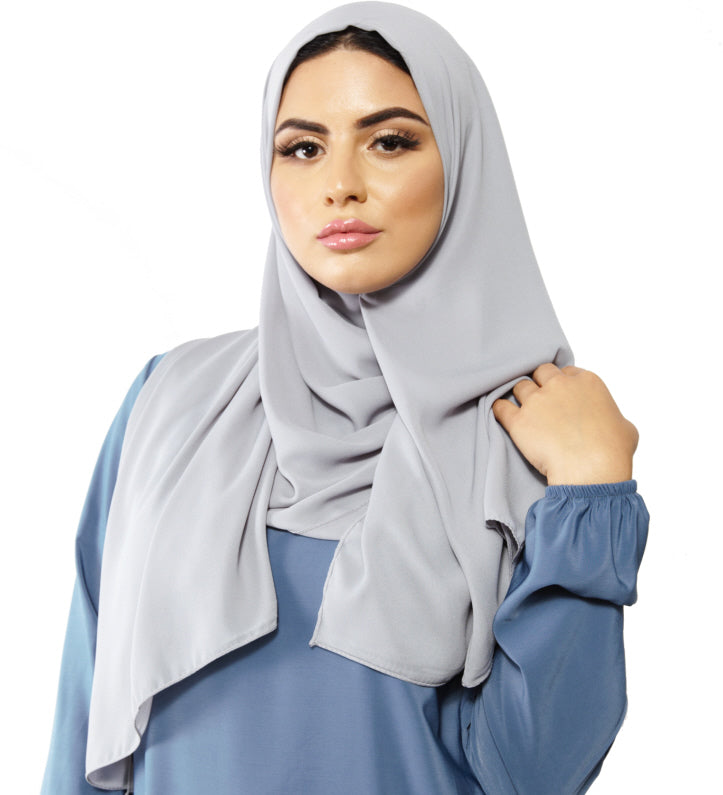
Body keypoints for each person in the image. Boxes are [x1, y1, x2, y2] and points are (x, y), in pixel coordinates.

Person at [41, 3, 648, 793]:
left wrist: (592, 490)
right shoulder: (173, 403)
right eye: (302, 147)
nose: (340, 186)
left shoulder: (535, 432)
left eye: (389, 141)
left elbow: (536, 771)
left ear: (462, 159)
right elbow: (85, 717)